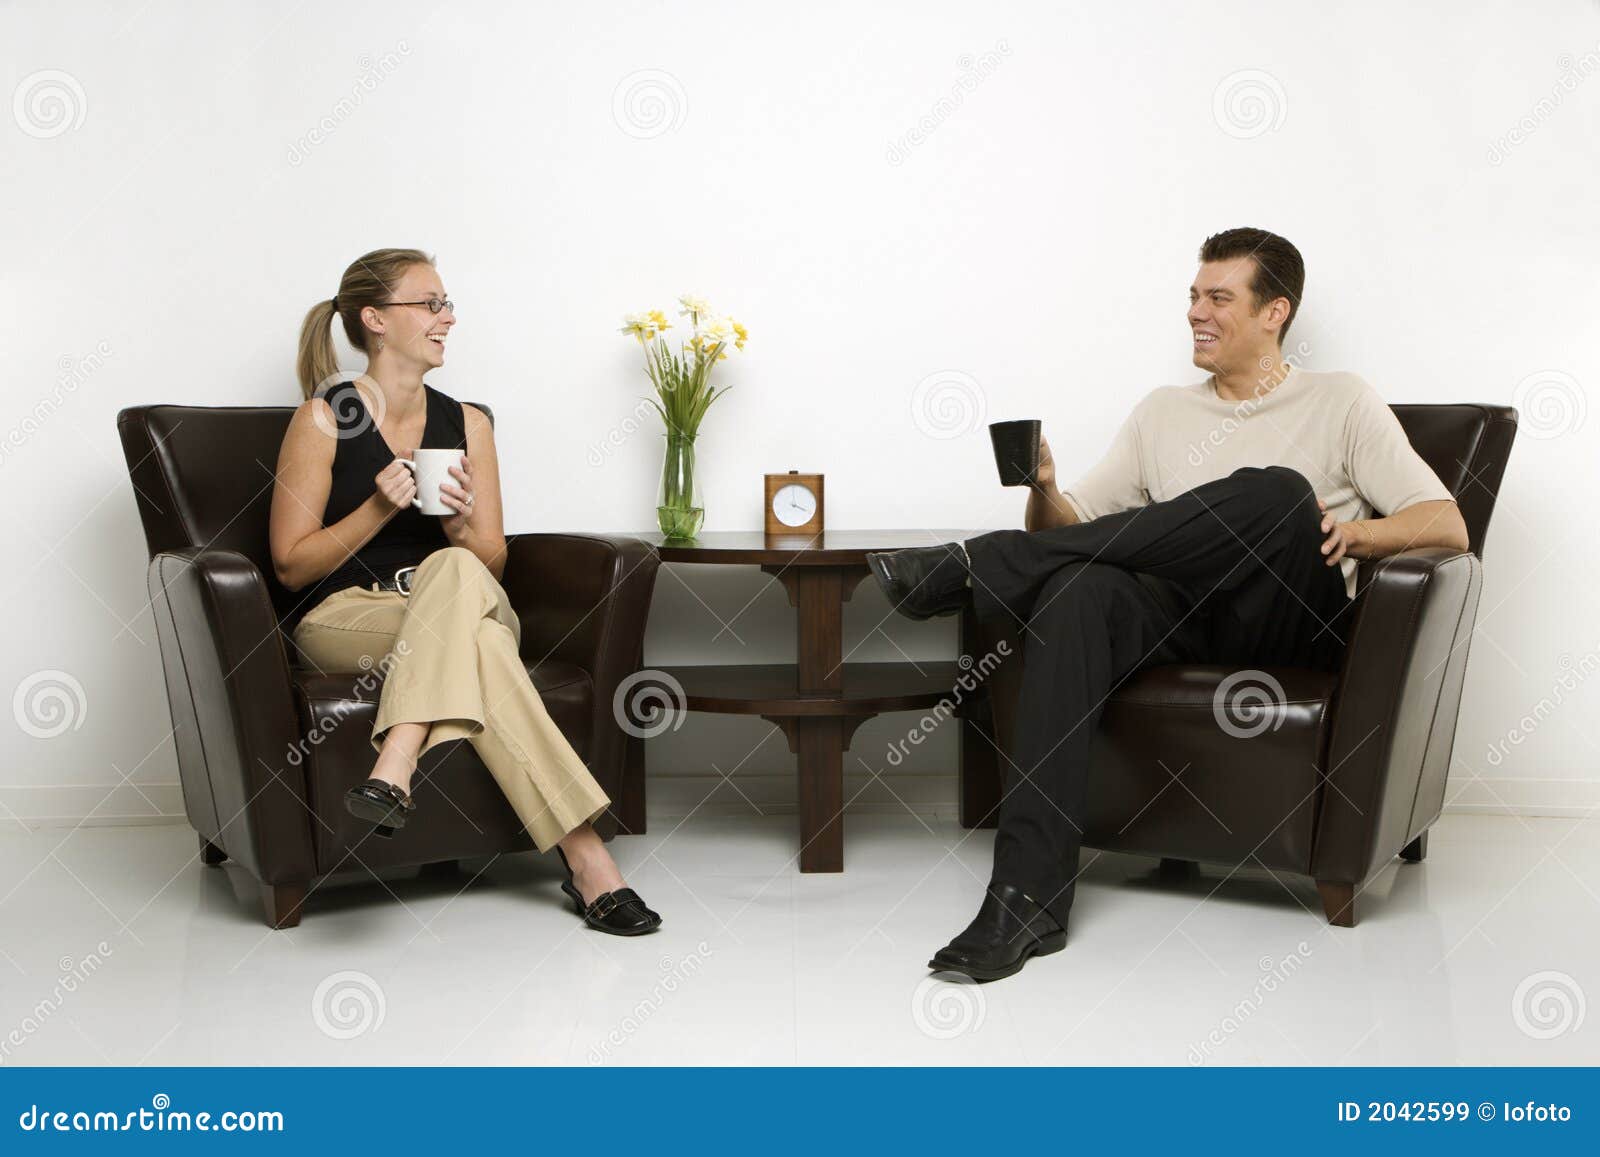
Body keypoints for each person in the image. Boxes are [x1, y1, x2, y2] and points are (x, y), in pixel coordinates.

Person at [867, 227, 1469, 980]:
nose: (1196, 313)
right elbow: (1082, 534)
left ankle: (977, 565)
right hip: (1186, 622)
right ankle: (1025, 899)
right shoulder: (1161, 412)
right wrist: (1047, 491)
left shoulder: (1339, 400)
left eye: (1219, 297)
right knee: (1078, 585)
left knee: (1278, 491)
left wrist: (1355, 532)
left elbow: (1446, 523)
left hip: (1288, 621)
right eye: (1193, 296)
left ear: (1274, 312)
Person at [268, 247, 660, 936]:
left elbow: (491, 562)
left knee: (455, 570)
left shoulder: (469, 422)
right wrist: (378, 510)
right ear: (375, 319)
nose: (447, 317)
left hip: (458, 598)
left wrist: (457, 525)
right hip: (350, 615)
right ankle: (588, 858)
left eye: (446, 304)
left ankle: (395, 761)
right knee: (480, 645)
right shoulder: (324, 418)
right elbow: (292, 566)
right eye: (431, 303)